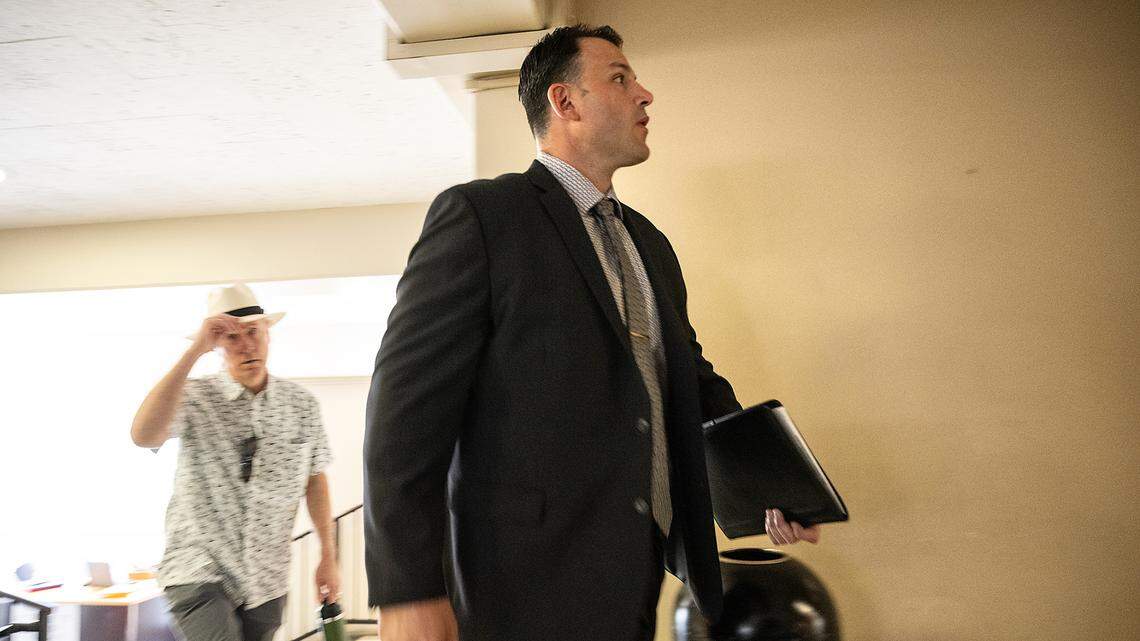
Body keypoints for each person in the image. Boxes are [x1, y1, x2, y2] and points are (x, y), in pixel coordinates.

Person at [363, 24, 820, 641]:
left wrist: (770, 485)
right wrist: (407, 590)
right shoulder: (483, 218)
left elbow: (689, 377)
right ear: (565, 102)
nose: (645, 95)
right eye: (620, 78)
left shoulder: (650, 244)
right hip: (519, 583)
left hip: (639, 567)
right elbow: (403, 413)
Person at [131, 283, 340, 641]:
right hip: (198, 568)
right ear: (216, 345)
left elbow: (315, 478)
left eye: (253, 333)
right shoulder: (195, 397)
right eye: (230, 337)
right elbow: (143, 435)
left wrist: (327, 555)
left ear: (268, 334)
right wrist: (194, 350)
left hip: (267, 578)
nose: (245, 345)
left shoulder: (301, 405)